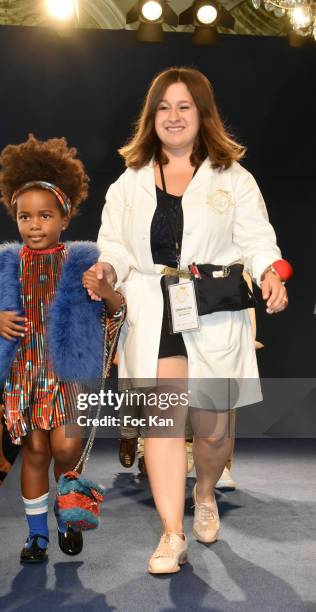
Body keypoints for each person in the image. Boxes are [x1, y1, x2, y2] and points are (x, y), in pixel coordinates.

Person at [86, 67, 288, 574]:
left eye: (184, 107)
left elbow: (258, 240)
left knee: (213, 431)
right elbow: (113, 243)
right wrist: (107, 266)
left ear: (203, 115)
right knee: (163, 426)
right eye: (164, 108)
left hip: (212, 311)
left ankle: (205, 492)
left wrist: (271, 273)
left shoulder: (234, 177)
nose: (173, 117)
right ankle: (171, 534)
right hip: (153, 312)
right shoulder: (128, 182)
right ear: (151, 117)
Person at [0, 134, 125, 565]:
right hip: (24, 374)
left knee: (64, 450)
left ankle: (68, 511)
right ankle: (38, 535)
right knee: (35, 452)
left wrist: (109, 293)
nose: (34, 225)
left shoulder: (83, 264)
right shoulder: (5, 266)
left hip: (66, 377)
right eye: (25, 216)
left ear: (65, 217)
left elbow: (115, 315)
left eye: (44, 216)